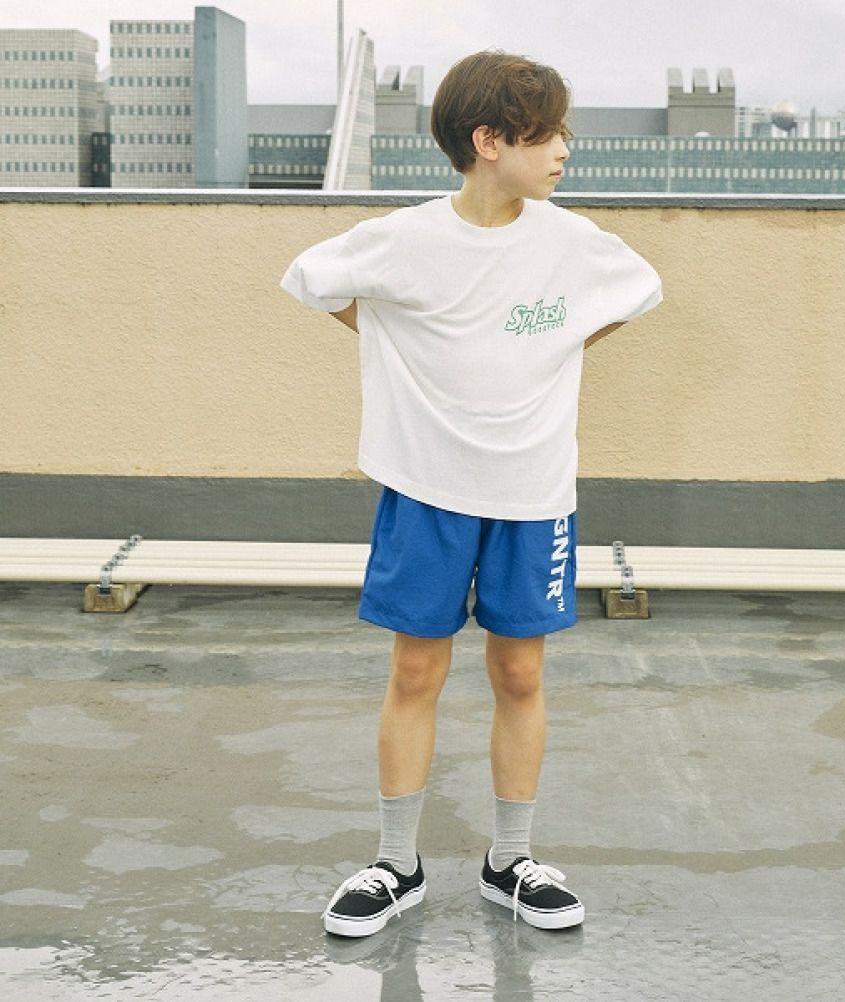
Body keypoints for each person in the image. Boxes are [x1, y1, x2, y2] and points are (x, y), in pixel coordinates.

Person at [280, 50, 662, 938]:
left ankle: (510, 860)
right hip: (429, 488)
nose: (564, 149)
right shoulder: (408, 238)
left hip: (535, 492)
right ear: (489, 141)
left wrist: (556, 346)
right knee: (416, 669)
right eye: (547, 134)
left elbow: (639, 291)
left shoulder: (570, 242)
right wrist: (395, 343)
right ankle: (395, 863)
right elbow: (311, 278)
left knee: (520, 672)